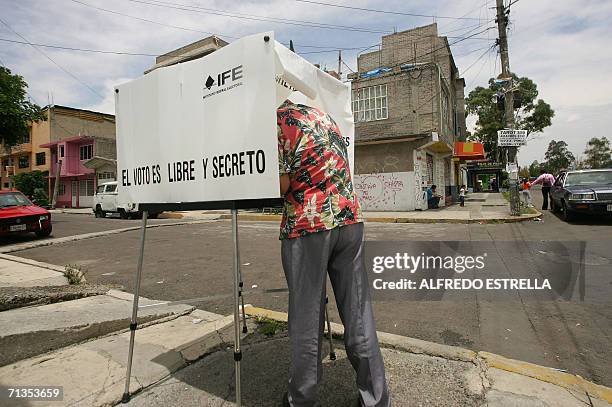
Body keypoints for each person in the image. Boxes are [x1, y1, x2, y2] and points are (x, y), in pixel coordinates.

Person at [277, 99, 390, 407]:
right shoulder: (326, 118)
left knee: (306, 316)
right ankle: (376, 399)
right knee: (358, 311)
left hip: (308, 224)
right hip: (350, 219)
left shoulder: (280, 121)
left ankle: (301, 399)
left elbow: (283, 183)